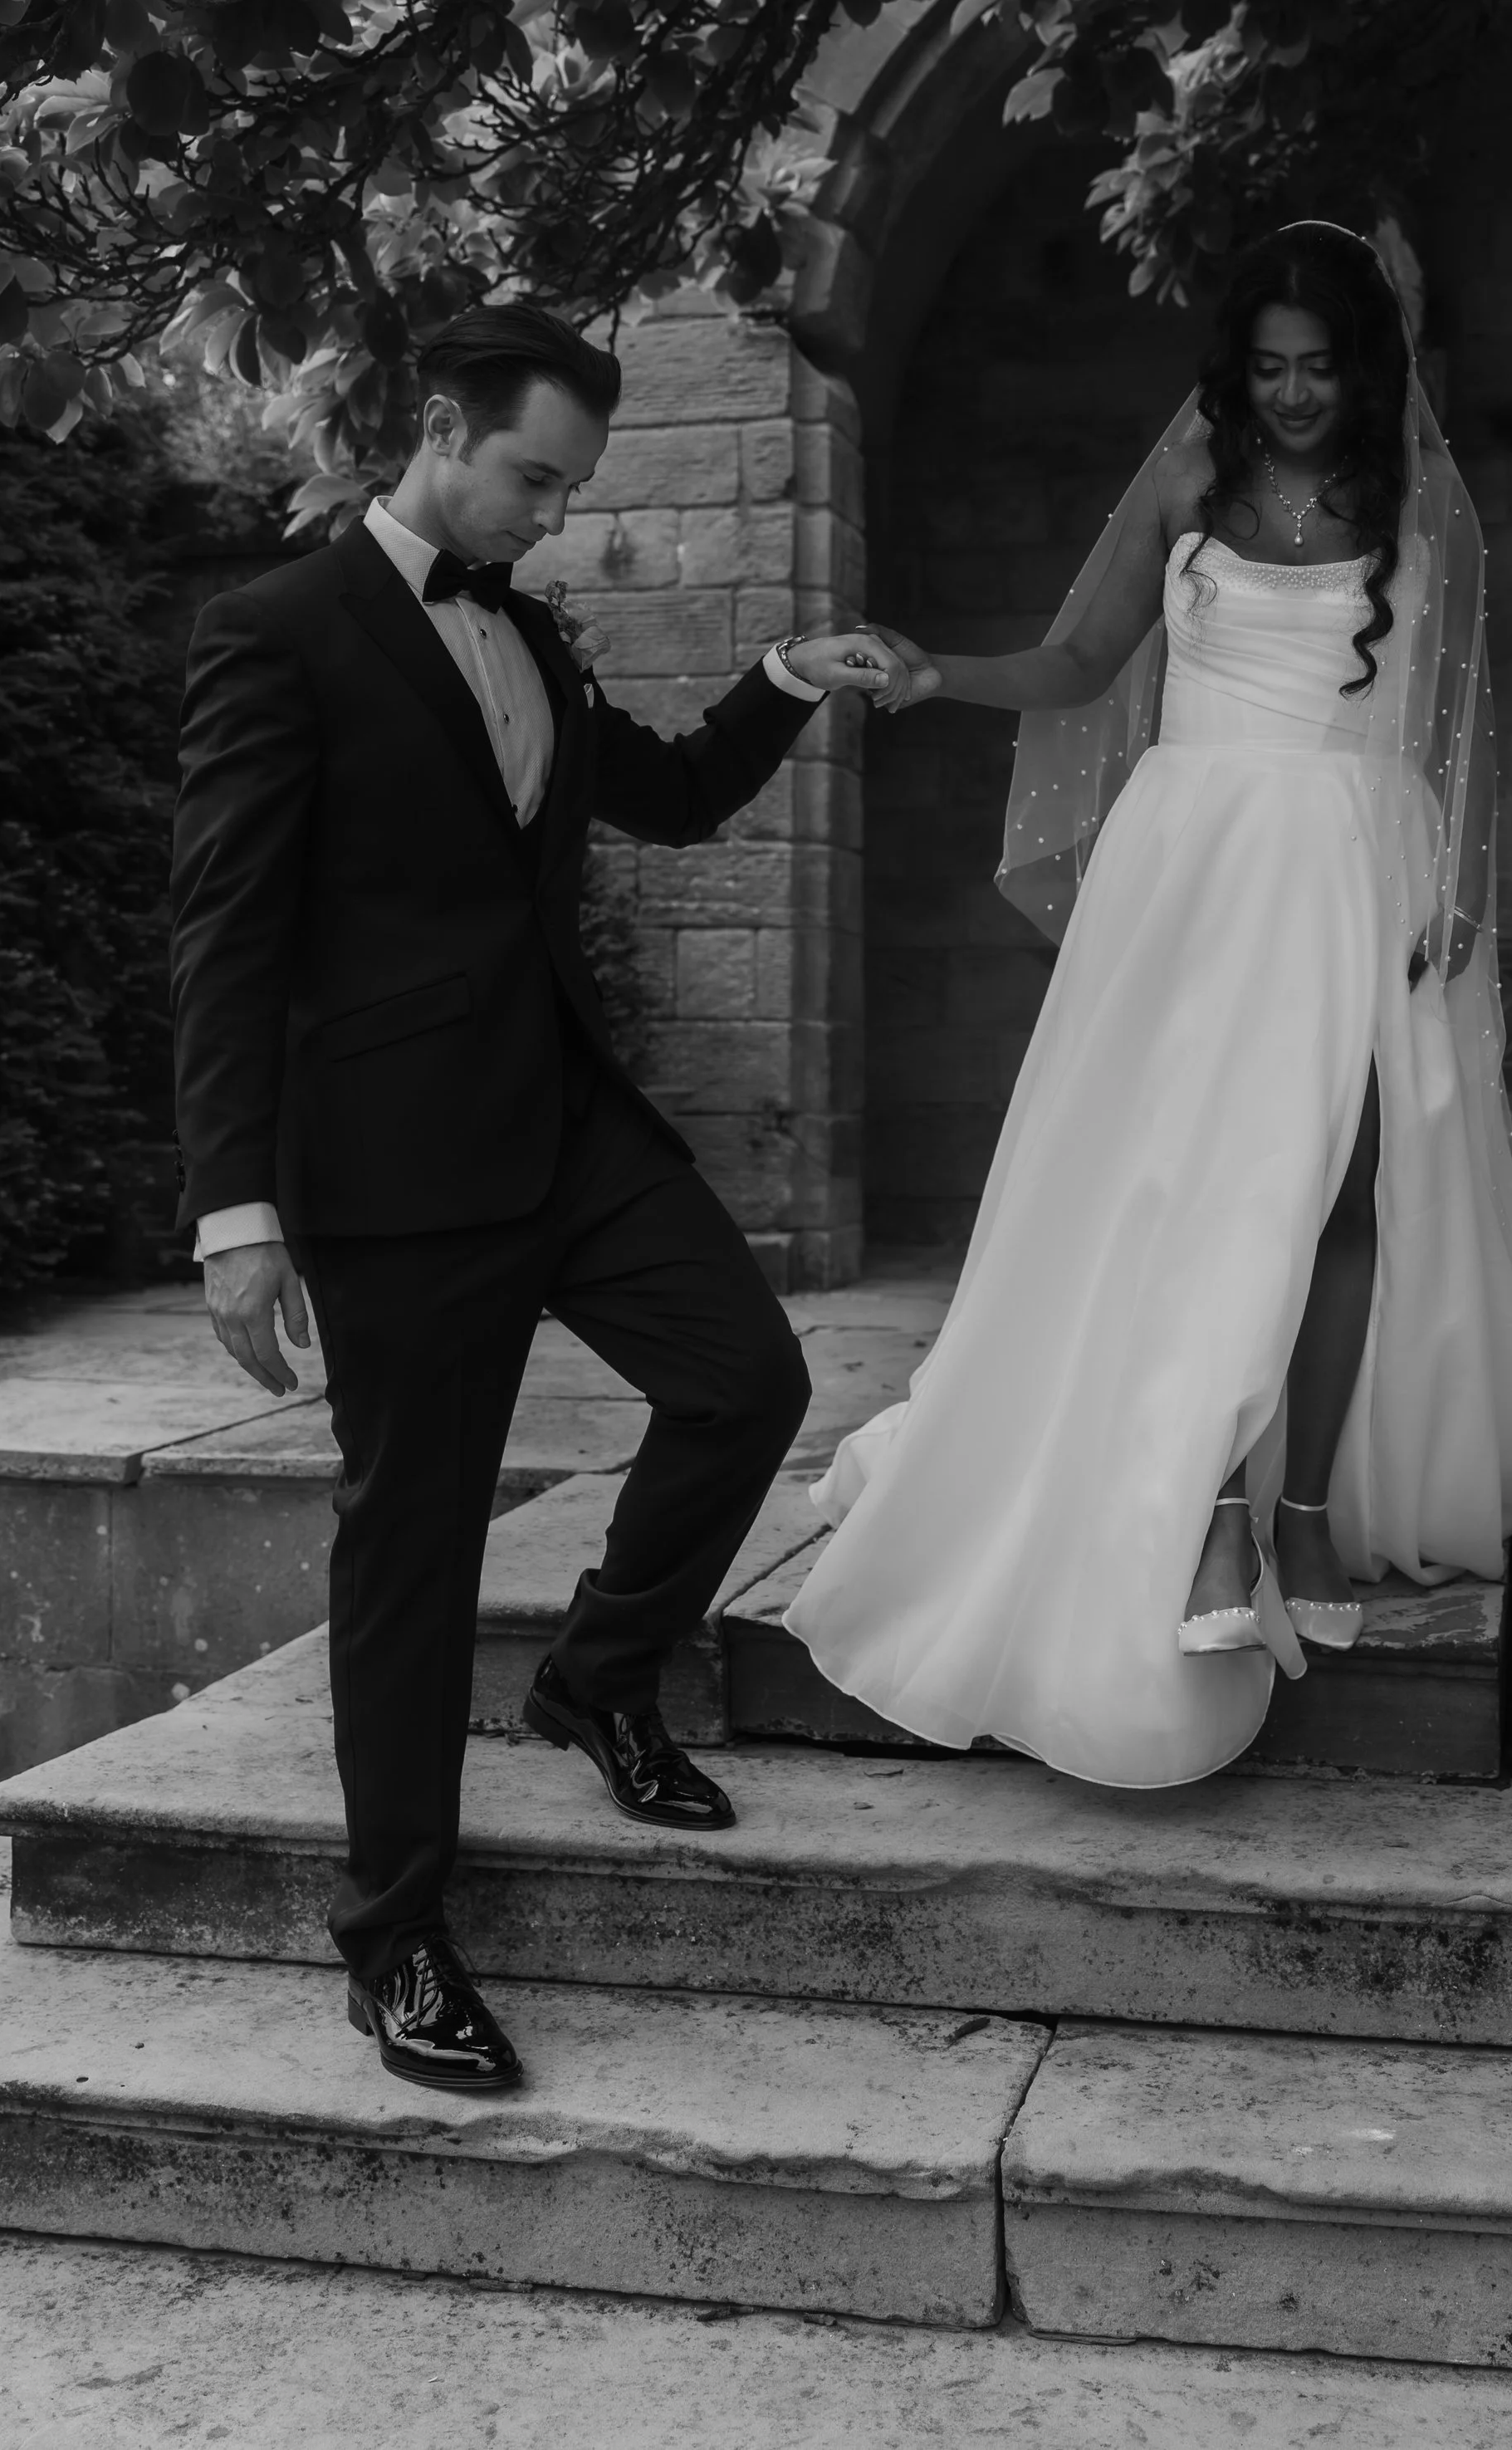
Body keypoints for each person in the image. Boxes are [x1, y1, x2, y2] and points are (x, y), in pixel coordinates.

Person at [171, 301, 898, 2090]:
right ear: (437, 426)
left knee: (748, 1383)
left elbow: (661, 795)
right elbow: (225, 934)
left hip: (564, 1119)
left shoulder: (530, 633)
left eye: (567, 491)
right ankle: (396, 1936)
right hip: (393, 1165)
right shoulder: (280, 633)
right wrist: (233, 1207)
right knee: (408, 1551)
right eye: (530, 480)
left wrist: (789, 678)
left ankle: (598, 1672)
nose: (546, 519)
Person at [786, 222, 1512, 1788]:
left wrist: (1468, 890)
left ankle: (1303, 1516)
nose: (1293, 395)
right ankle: (1217, 1510)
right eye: (1270, 366)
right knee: (1217, 1187)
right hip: (1198, 860)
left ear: (1367, 368)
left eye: (1321, 368)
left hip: (1358, 854)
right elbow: (1085, 659)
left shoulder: (1423, 500)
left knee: (1345, 1188)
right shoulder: (1186, 481)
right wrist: (934, 674)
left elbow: (1464, 712)